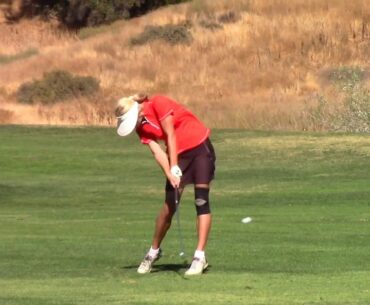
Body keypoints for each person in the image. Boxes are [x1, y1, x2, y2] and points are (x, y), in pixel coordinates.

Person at [115, 94, 216, 276]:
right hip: (179, 156)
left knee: (201, 201)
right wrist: (169, 173)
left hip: (200, 147)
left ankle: (199, 257)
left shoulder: (158, 103)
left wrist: (174, 165)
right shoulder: (141, 127)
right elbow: (156, 151)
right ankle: (153, 251)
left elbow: (170, 134)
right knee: (170, 206)